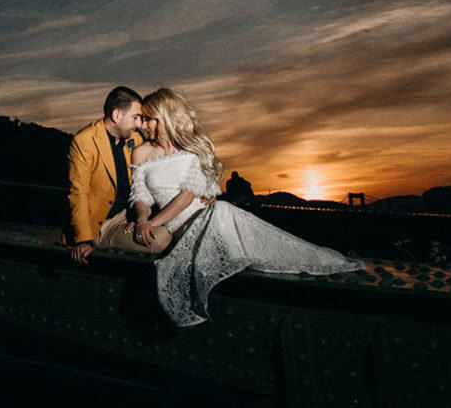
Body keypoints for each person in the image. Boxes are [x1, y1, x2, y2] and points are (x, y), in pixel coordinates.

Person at [128, 88, 365, 326]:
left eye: (148, 119)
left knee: (227, 217)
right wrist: (141, 219)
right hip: (181, 227)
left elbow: (189, 195)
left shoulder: (194, 151)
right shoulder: (140, 153)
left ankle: (321, 262)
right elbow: (141, 195)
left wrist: (154, 222)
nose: (143, 125)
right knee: (228, 231)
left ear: (166, 117)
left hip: (213, 217)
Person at [64, 86, 185, 264]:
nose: (139, 124)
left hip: (130, 216)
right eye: (135, 117)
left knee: (180, 227)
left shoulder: (134, 139)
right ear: (117, 115)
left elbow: (163, 161)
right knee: (160, 240)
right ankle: (101, 241)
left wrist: (198, 187)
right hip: (102, 223)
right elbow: (78, 192)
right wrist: (83, 239)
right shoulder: (84, 141)